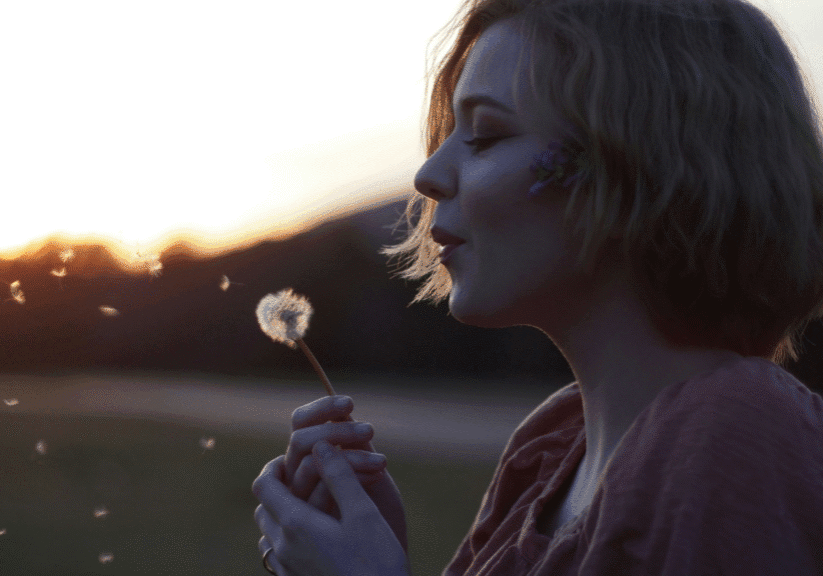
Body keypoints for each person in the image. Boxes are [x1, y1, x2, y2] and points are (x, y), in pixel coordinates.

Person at [252, 0, 823, 573]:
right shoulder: (548, 448)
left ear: (643, 163)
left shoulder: (742, 434)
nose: (427, 175)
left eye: (486, 133)